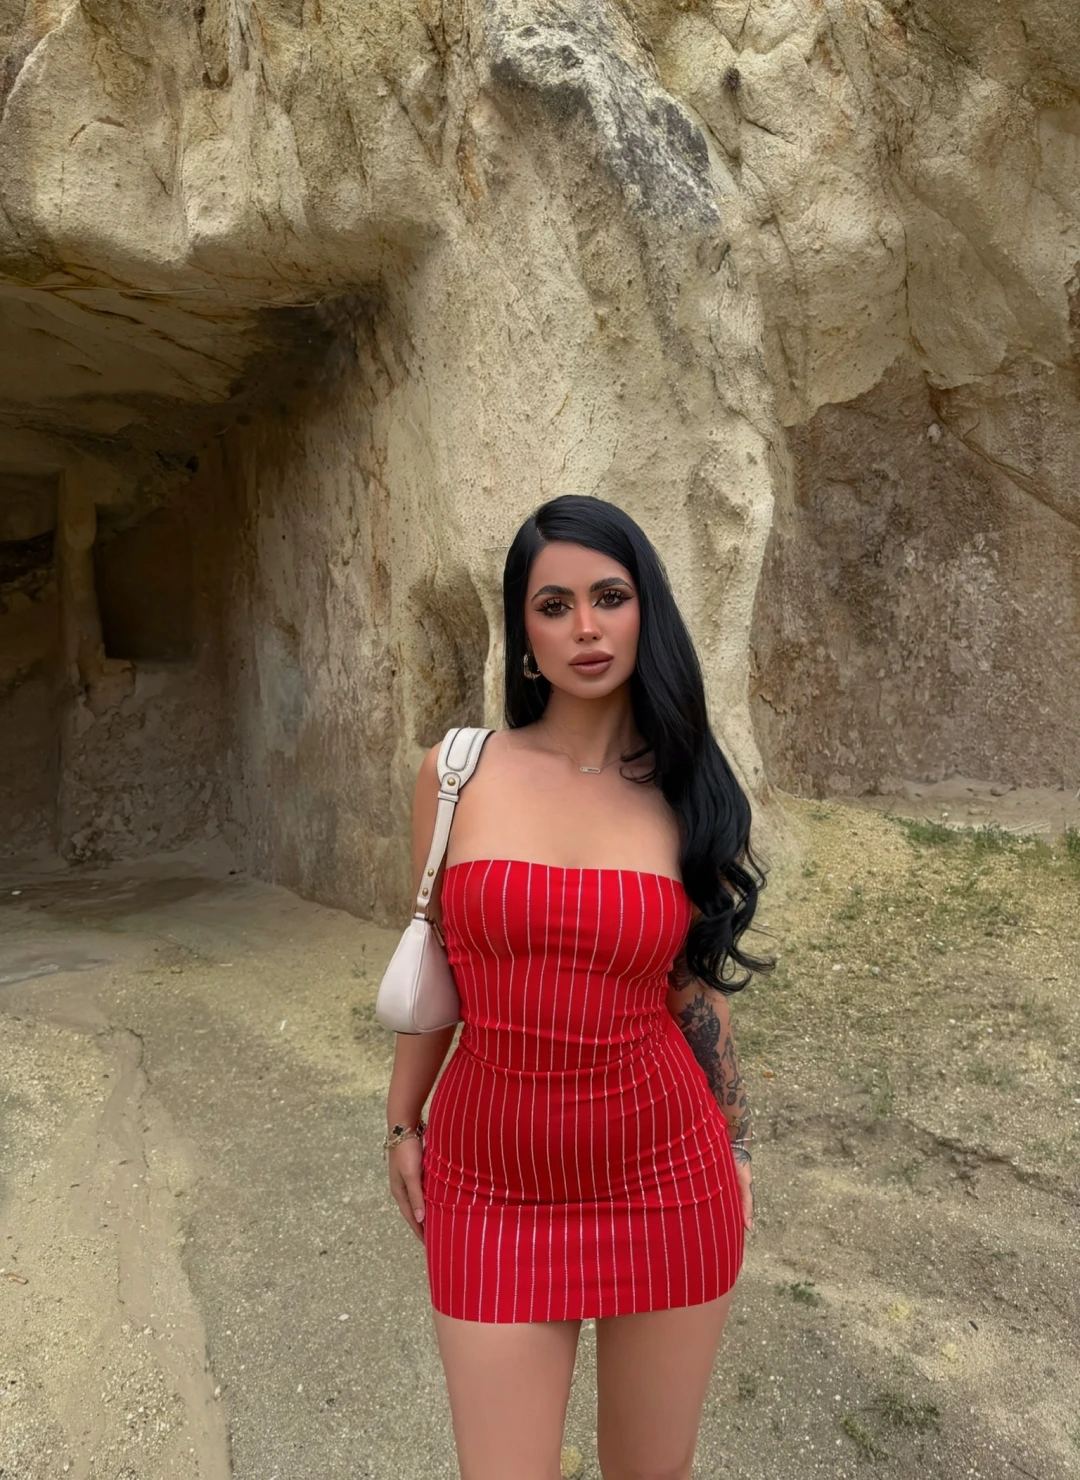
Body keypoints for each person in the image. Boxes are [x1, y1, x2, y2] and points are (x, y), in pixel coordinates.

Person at [385, 494, 772, 1480]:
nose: (586, 628)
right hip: (492, 1186)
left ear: (648, 612)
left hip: (665, 1177)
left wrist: (735, 1147)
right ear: (524, 633)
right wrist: (400, 1121)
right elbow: (436, 962)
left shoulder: (688, 788)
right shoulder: (457, 773)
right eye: (554, 606)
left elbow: (695, 993)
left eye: (610, 597)